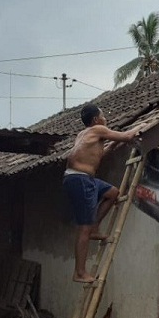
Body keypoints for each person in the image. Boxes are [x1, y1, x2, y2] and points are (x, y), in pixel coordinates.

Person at [63, 103, 140, 283]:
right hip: (80, 179)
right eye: (104, 116)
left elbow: (97, 155)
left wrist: (112, 145)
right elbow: (128, 136)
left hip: (82, 178)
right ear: (97, 119)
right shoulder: (98, 129)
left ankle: (95, 227)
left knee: (113, 193)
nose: (106, 119)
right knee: (84, 228)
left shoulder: (84, 135)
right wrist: (141, 127)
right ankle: (80, 272)